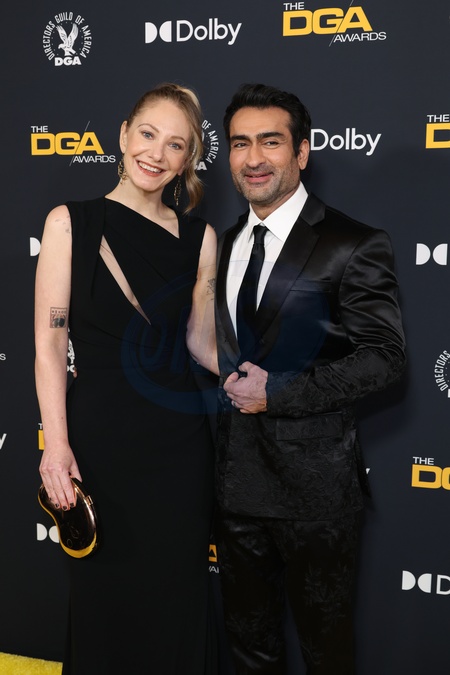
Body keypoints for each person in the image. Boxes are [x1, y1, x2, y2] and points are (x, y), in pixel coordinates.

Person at [214, 83, 406, 674]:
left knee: (326, 655)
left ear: (301, 152)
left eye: (270, 142)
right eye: (240, 143)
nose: (253, 158)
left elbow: (384, 357)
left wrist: (276, 393)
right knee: (249, 651)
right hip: (234, 486)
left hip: (315, 493)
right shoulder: (222, 243)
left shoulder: (353, 242)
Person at [35, 82, 218, 674]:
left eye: (175, 145)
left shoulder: (200, 239)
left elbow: (200, 343)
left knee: (175, 598)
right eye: (147, 134)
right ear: (122, 134)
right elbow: (49, 345)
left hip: (178, 446)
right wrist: (56, 446)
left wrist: (276, 376)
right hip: (100, 442)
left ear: (187, 160)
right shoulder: (70, 224)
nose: (156, 154)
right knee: (104, 599)